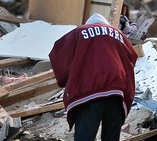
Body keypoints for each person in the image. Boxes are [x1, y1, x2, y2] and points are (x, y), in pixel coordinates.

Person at [49, 13, 138, 141]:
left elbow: (58, 53)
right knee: (111, 137)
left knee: (85, 136)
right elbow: (131, 58)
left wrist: (66, 78)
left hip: (89, 93)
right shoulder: (118, 33)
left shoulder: (79, 32)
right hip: (116, 93)